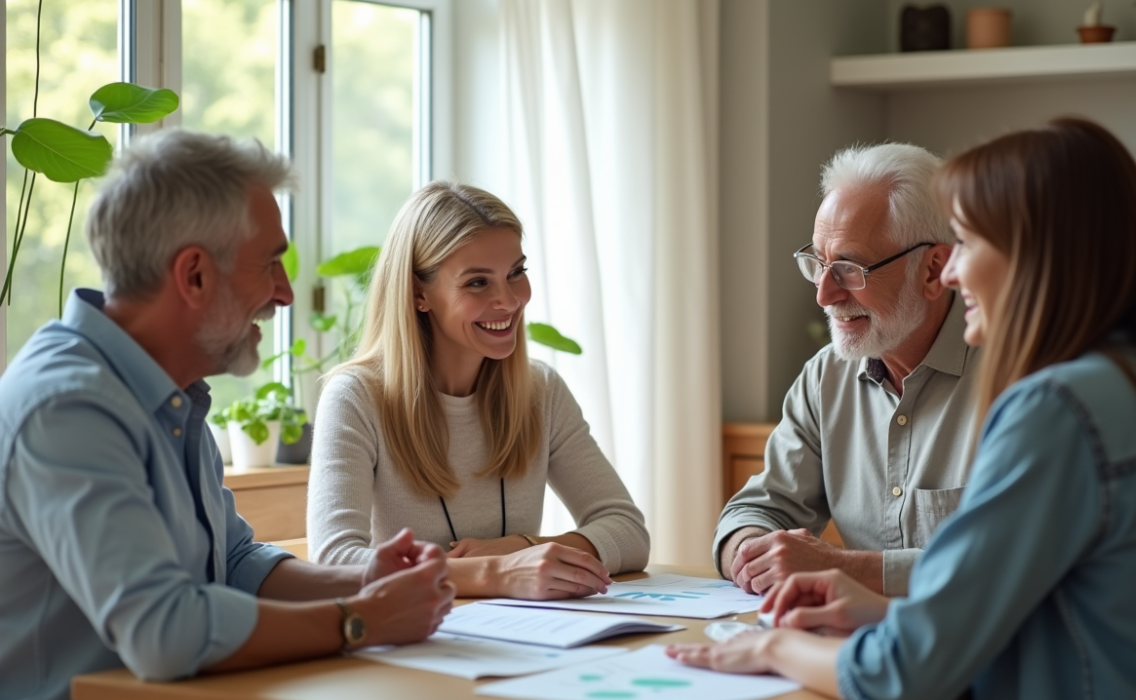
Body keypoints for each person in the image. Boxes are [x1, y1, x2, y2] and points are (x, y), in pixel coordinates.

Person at [669, 117, 1136, 699]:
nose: (957, 271)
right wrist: (875, 611)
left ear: (1039, 258)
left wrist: (774, 646)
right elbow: (1040, 614)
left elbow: (909, 671)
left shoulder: (1053, 407)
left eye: (971, 244)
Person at [0, 130, 456, 700]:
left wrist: (365, 580)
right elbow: (164, 631)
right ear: (193, 275)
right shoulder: (67, 407)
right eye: (271, 264)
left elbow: (234, 563)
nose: (286, 293)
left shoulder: (168, 390)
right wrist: (360, 621)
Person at [307, 181, 650, 600]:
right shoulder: (355, 397)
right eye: (477, 283)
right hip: (413, 642)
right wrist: (495, 572)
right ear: (419, 294)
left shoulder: (541, 390)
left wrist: (523, 547)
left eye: (516, 273)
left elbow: (628, 531)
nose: (508, 300)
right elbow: (335, 560)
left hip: (525, 636)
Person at [715, 144, 979, 597]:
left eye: (849, 268)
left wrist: (843, 568)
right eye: (818, 263)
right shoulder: (826, 378)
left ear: (933, 269)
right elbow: (759, 509)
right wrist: (755, 551)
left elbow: (1008, 563)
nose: (823, 295)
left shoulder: (1018, 376)